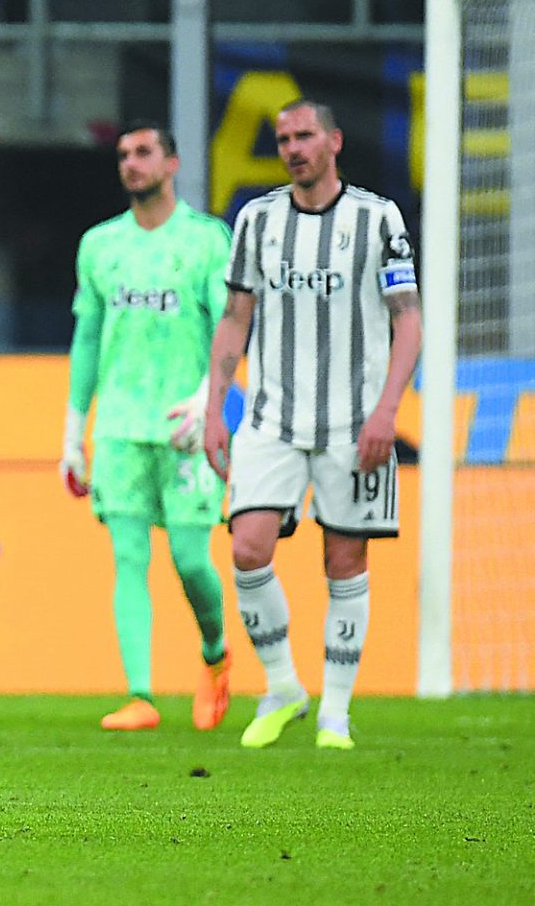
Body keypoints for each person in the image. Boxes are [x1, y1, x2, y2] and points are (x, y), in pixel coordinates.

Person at [203, 101, 423, 751]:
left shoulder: (378, 217)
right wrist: (215, 408)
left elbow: (408, 318)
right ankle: (282, 687)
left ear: (334, 140)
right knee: (247, 548)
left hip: (355, 422)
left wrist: (388, 411)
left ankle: (336, 712)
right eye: (283, 139)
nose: (293, 148)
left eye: (304, 136)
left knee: (344, 559)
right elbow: (235, 317)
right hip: (272, 418)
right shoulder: (257, 219)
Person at [61, 122, 232, 732]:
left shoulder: (207, 240)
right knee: (128, 556)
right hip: (120, 426)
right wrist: (73, 431)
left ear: (172, 163)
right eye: (123, 155)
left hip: (187, 424)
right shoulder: (100, 245)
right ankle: (141, 696)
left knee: (190, 560)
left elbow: (230, 328)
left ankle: (215, 654)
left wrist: (207, 401)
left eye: (143, 153)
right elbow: (87, 338)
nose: (131, 163)